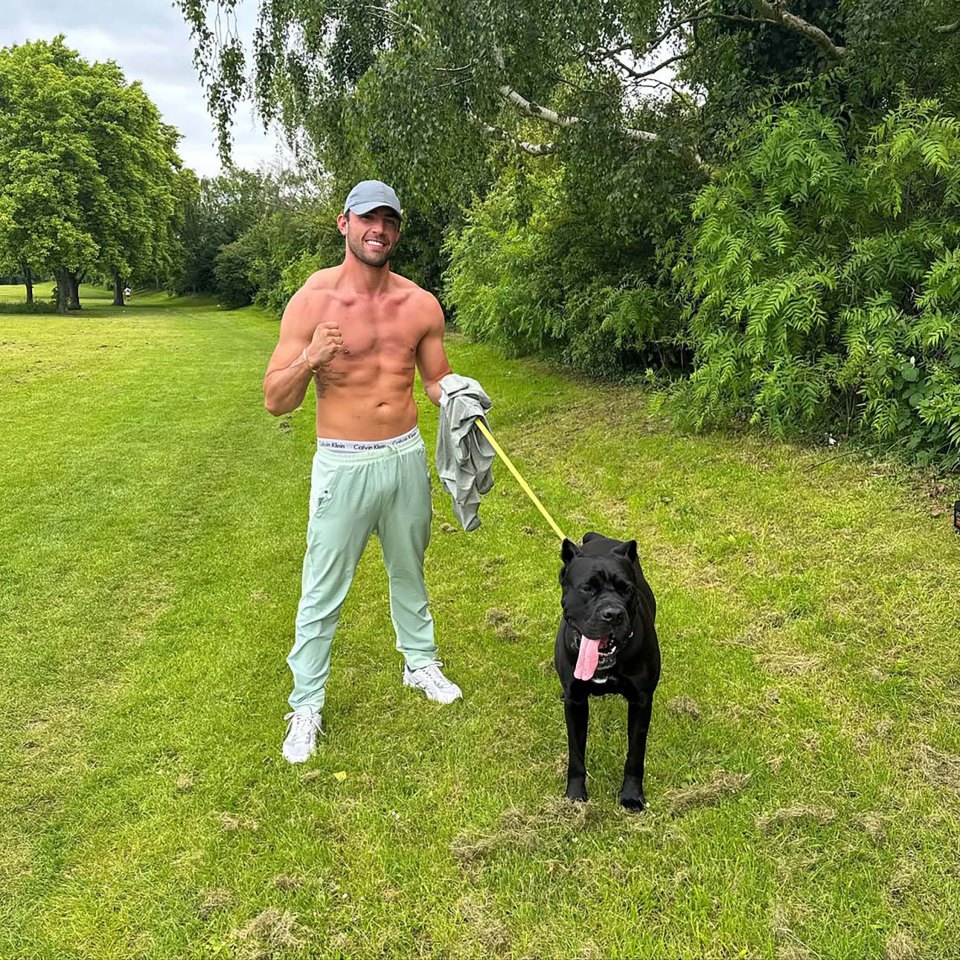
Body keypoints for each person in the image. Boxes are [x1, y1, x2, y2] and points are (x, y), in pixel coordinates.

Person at [263, 179, 462, 764]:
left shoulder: (420, 304)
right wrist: (309, 358)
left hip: (403, 458)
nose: (379, 230)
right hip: (343, 464)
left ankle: (420, 664)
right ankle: (306, 704)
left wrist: (457, 394)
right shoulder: (311, 302)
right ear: (343, 223)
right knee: (322, 589)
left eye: (390, 221)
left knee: (410, 572)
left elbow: (432, 379)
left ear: (397, 230)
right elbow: (277, 400)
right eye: (367, 219)